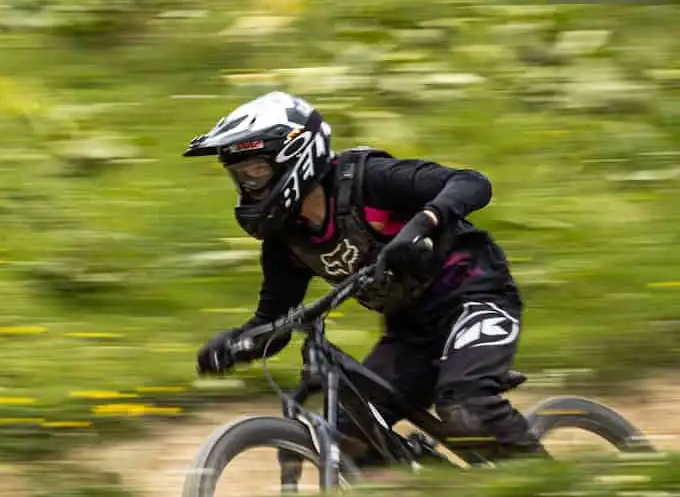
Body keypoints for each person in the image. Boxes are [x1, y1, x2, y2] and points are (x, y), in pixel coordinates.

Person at [184, 91, 546, 466]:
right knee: (351, 437)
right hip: (411, 333)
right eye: (239, 176)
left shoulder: (368, 180)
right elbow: (274, 322)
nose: (247, 186)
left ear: (295, 155)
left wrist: (421, 225)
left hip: (474, 296)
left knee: (466, 406)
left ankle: (555, 486)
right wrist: (236, 345)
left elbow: (472, 182)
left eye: (255, 171)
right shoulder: (286, 242)